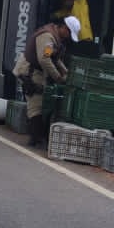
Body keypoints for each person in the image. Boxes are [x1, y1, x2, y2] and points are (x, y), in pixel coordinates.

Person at [11, 15, 80, 149]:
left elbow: (55, 59)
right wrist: (59, 78)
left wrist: (66, 73)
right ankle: (35, 138)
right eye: (69, 33)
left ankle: (37, 137)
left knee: (40, 101)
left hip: (37, 71)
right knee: (36, 103)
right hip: (29, 70)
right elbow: (45, 59)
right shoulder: (47, 37)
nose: (68, 36)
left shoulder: (55, 38)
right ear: (64, 28)